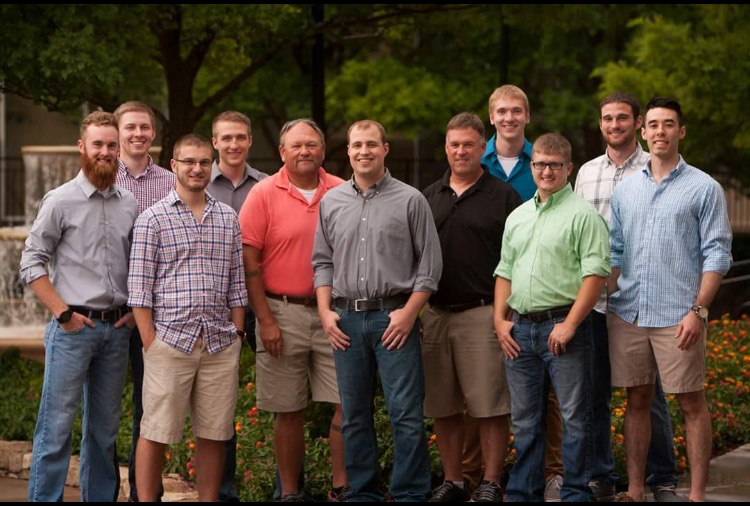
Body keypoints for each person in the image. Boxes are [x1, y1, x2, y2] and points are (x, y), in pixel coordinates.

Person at [608, 97, 732, 503]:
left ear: (681, 131)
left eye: (669, 125)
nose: (660, 131)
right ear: (643, 131)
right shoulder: (625, 190)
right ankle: (636, 489)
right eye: (654, 125)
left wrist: (698, 311)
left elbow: (717, 253)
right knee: (636, 399)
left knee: (691, 402)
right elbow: (615, 252)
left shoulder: (704, 188)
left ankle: (696, 495)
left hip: (679, 315)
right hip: (628, 312)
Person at [313, 120, 443, 502]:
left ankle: (409, 493)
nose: (363, 151)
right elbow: (322, 262)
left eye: (371, 144)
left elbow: (430, 266)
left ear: (385, 148)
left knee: (405, 414)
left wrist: (409, 313)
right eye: (356, 145)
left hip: (394, 319)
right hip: (346, 321)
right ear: (348, 151)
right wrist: (325, 312)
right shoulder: (332, 202)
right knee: (354, 415)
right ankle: (363, 493)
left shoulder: (410, 200)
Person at [20, 111, 138, 501]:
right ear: (82, 147)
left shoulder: (130, 204)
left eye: (111, 145)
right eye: (98, 144)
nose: (105, 152)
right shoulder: (60, 200)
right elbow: (31, 262)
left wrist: (135, 312)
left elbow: (140, 264)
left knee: (104, 435)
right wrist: (64, 314)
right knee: (55, 430)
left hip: (117, 332)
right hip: (72, 329)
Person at [128, 134, 247, 502]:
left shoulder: (227, 218)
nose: (197, 168)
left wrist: (237, 334)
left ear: (211, 167)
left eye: (204, 162)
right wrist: (151, 341)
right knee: (155, 431)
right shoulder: (152, 219)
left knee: (215, 432)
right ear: (174, 166)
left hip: (218, 342)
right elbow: (139, 290)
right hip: (169, 342)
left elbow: (237, 285)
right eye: (189, 162)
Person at [574, 92, 680, 502]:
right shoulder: (585, 173)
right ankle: (603, 475)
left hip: (641, 301)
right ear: (600, 124)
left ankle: (662, 476)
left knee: (646, 395)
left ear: (637, 123)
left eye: (622, 118)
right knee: (595, 393)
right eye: (607, 118)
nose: (614, 125)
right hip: (594, 302)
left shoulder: (653, 168)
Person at [494, 133, 610, 502]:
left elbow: (596, 275)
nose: (546, 171)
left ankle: (575, 492)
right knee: (525, 421)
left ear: (568, 169)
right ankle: (522, 493)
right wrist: (499, 320)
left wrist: (571, 324)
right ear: (532, 166)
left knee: (576, 417)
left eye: (554, 165)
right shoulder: (518, 216)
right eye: (540, 164)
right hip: (521, 330)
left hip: (564, 328)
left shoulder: (583, 216)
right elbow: (505, 271)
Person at [238, 119, 347, 502]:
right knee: (288, 409)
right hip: (281, 313)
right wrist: (264, 320)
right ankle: (288, 492)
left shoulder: (342, 191)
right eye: (297, 145)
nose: (306, 151)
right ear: (282, 152)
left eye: (313, 145)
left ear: (322, 150)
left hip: (335, 314)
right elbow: (248, 261)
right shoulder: (263, 194)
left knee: (346, 402)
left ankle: (341, 487)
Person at [421, 112, 521, 502]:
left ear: (484, 148)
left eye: (469, 145)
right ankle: (454, 480)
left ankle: (491, 482)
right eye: (454, 145)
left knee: (490, 405)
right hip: (435, 315)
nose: (461, 151)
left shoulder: (504, 198)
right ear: (446, 149)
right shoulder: (427, 197)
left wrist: (503, 316)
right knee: (442, 405)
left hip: (483, 314)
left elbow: (513, 262)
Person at [114, 100, 176, 503]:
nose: (138, 134)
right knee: (102, 417)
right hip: (106, 314)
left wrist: (143, 312)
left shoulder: (172, 182)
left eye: (145, 127)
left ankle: (142, 496)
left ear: (153, 134)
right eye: (130, 127)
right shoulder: (97, 176)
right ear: (118, 132)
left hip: (152, 316)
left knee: (148, 411)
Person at [208, 110, 268, 502]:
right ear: (215, 141)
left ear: (249, 141)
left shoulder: (267, 187)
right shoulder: (196, 183)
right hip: (214, 310)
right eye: (226, 138)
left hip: (263, 307)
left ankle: (280, 487)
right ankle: (223, 492)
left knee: (281, 399)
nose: (234, 144)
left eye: (241, 137)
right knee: (219, 405)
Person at [481, 84, 535, 201]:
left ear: (527, 116)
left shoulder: (542, 161)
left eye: (516, 111)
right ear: (492, 118)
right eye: (502, 111)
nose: (509, 118)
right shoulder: (476, 160)